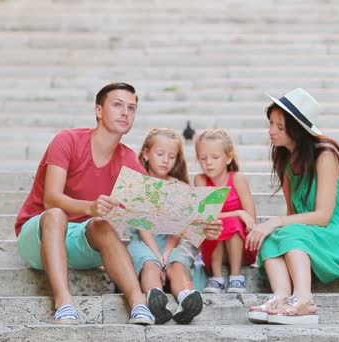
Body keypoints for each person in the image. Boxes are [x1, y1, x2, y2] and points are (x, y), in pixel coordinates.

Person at [14, 82, 223, 325]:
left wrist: (201, 226)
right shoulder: (67, 140)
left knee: (103, 225)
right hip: (40, 236)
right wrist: (90, 207)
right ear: (98, 111)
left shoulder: (128, 161)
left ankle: (138, 304)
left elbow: (158, 213)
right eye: (117, 105)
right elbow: (51, 199)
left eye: (131, 108)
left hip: (84, 241)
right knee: (57, 215)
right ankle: (64, 302)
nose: (125, 112)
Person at [246, 88, 339, 325]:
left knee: (284, 229)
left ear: (297, 130)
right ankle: (281, 297)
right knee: (272, 237)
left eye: (280, 127)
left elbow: (323, 216)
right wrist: (274, 230)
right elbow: (295, 215)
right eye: (271, 123)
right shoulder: (284, 159)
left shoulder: (326, 155)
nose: (272, 131)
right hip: (316, 234)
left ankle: (304, 300)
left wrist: (275, 222)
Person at [128, 128, 204, 324]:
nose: (165, 160)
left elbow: (179, 227)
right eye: (160, 154)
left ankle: (185, 297)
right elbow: (142, 227)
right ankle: (155, 296)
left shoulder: (181, 188)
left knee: (178, 262)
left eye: (171, 156)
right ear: (146, 153)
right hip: (143, 239)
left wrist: (168, 253)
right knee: (149, 264)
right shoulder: (138, 186)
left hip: (172, 240)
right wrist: (157, 256)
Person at [194, 129, 257, 294]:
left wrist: (239, 216)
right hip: (213, 245)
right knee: (213, 224)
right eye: (203, 158)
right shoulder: (200, 180)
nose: (208, 163)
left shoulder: (237, 179)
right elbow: (204, 217)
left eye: (215, 157)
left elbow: (251, 219)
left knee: (232, 223)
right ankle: (216, 278)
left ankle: (236, 276)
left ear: (228, 158)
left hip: (241, 247)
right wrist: (237, 213)